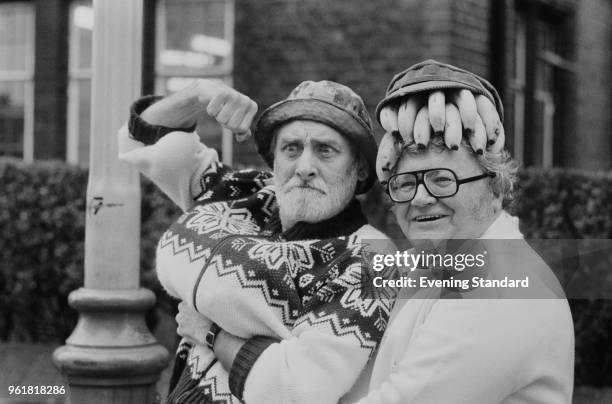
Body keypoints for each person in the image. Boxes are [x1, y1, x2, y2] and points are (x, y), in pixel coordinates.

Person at [118, 79, 395, 404]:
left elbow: (297, 388)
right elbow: (139, 140)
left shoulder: (370, 258)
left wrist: (212, 334)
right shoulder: (244, 193)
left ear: (360, 169)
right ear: (274, 161)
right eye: (291, 148)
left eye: (325, 150)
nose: (304, 167)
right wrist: (197, 94)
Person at [353, 60, 574, 403]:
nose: (421, 198)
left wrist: (244, 357)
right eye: (406, 183)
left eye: (443, 179)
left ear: (496, 189)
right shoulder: (431, 265)